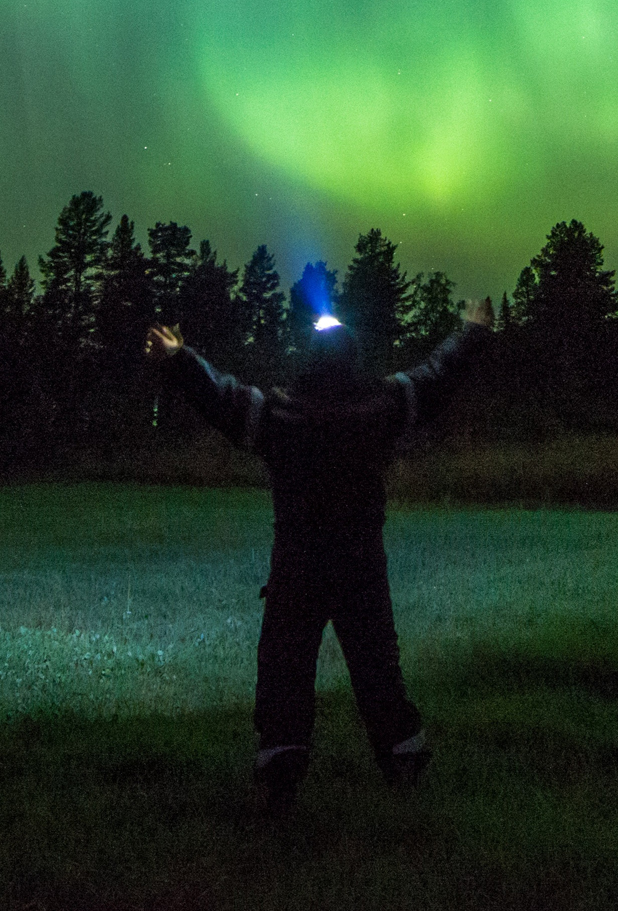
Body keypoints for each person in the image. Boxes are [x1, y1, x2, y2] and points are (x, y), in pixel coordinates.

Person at [146, 285, 494, 812]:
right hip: (360, 568)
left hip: (299, 568)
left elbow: (222, 398)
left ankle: (282, 774)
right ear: (353, 357)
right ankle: (402, 762)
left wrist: (179, 359)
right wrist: (471, 333)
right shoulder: (379, 406)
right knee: (377, 668)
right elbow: (434, 379)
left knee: (285, 668)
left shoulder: (280, 416)